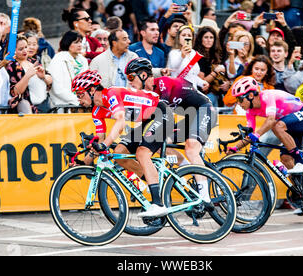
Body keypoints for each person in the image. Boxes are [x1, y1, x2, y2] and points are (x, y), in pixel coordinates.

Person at [72, 69, 175, 217]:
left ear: (92, 89)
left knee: (142, 153)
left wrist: (104, 145)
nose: (78, 99)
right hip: (147, 120)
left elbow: (120, 121)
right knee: (119, 153)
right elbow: (100, 139)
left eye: (80, 94)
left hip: (161, 113)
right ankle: (155, 184)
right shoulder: (96, 111)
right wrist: (84, 162)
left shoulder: (111, 94)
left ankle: (158, 204)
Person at [124, 57, 218, 206]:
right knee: (163, 145)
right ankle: (188, 172)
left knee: (191, 147)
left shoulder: (161, 83)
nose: (129, 81)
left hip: (205, 110)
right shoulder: (145, 95)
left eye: (131, 76)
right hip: (190, 116)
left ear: (143, 75)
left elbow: (164, 113)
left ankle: (205, 198)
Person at [226, 76, 303, 174]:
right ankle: (300, 188)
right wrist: (235, 148)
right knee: (286, 159)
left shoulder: (267, 96)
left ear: (250, 95)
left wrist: (257, 135)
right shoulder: (249, 112)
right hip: (290, 126)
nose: (238, 103)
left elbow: (271, 120)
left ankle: (301, 162)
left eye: (240, 99)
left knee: (276, 126)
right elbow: (250, 135)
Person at [6, 35, 52, 114]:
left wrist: (44, 76)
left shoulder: (33, 61)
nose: (25, 51)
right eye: (21, 49)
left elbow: (50, 81)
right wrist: (27, 76)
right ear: (13, 51)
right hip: (29, 109)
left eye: (26, 47)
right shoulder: (11, 66)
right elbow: (15, 92)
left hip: (45, 105)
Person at [47, 30, 88, 112]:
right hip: (62, 105)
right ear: (67, 43)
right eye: (76, 42)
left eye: (80, 42)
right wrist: (77, 100)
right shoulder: (58, 59)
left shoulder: (83, 60)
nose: (80, 45)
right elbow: (57, 89)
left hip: (82, 105)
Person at [194, 26, 228, 107]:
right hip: (204, 96)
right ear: (200, 39)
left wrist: (227, 83)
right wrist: (216, 72)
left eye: (211, 37)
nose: (209, 40)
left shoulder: (216, 54)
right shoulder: (197, 56)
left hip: (218, 95)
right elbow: (202, 82)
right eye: (206, 37)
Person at [166, 25, 208, 91]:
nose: (186, 37)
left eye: (189, 36)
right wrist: (182, 55)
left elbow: (192, 76)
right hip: (178, 91)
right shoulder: (174, 53)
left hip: (192, 91)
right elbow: (174, 67)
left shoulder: (193, 53)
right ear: (178, 38)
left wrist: (202, 83)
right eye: (184, 35)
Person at [24, 31, 54, 113]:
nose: (31, 47)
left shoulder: (37, 61)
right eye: (29, 44)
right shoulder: (18, 63)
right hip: (28, 107)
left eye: (34, 44)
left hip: (43, 104)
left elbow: (50, 80)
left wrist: (43, 76)